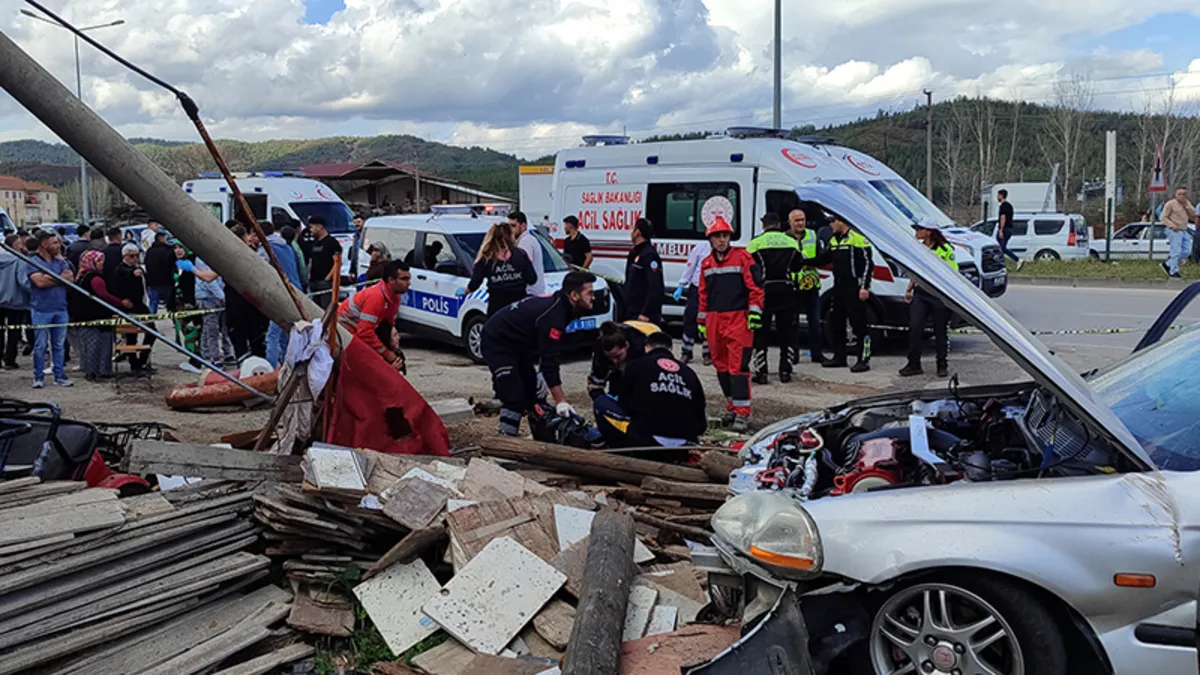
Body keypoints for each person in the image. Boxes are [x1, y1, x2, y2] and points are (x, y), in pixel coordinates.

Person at [482, 271, 596, 436]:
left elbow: (547, 350)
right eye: (589, 293)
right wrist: (561, 401)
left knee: (534, 394)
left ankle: (543, 437)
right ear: (574, 295)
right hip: (497, 340)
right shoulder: (554, 315)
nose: (593, 297)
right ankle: (506, 439)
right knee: (513, 395)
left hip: (519, 344)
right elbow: (550, 360)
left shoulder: (563, 307)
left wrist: (540, 376)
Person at [697, 217, 763, 432]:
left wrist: (754, 313)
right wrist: (701, 321)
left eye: (725, 236)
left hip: (738, 320)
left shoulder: (743, 258)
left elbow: (756, 288)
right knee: (721, 367)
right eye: (718, 236)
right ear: (711, 239)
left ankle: (742, 414)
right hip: (715, 320)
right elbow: (702, 294)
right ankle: (732, 407)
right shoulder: (706, 264)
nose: (722, 240)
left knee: (738, 368)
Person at [593, 331, 707, 450]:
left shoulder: (635, 366)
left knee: (601, 402)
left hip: (647, 442)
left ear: (647, 348)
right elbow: (701, 423)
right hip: (685, 444)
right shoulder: (689, 373)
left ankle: (618, 448)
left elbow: (624, 404)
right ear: (671, 349)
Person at [747, 212, 802, 384]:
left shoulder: (755, 243)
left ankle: (761, 372)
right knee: (787, 332)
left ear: (764, 225)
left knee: (761, 333)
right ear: (779, 224)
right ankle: (785, 371)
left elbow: (749, 269)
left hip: (765, 290)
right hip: (786, 289)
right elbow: (796, 267)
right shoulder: (792, 242)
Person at [901, 220, 957, 378]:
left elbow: (953, 272)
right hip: (921, 293)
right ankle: (913, 364)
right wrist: (909, 289)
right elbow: (915, 271)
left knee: (940, 331)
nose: (917, 231)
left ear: (929, 231)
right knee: (915, 328)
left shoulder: (945, 249)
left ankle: (942, 364)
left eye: (920, 229)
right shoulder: (918, 249)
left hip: (938, 296)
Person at [338, 260, 412, 372]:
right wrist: (387, 355)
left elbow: (388, 324)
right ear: (391, 280)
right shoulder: (376, 298)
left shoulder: (394, 296)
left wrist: (392, 345)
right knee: (376, 364)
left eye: (408, 278)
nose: (409, 283)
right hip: (344, 334)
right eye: (404, 279)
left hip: (358, 330)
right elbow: (364, 333)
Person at [823, 215, 873, 373]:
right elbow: (824, 258)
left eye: (832, 221)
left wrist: (864, 287)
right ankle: (839, 357)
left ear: (841, 221)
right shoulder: (833, 240)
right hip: (838, 286)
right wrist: (803, 261)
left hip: (854, 286)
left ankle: (863, 359)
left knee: (859, 325)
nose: (830, 225)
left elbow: (867, 264)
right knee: (836, 322)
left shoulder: (857, 238)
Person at [69, 250, 129, 380]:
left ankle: (91, 370)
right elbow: (103, 295)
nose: (103, 263)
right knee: (99, 345)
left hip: (85, 317)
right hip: (97, 316)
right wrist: (121, 303)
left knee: (89, 346)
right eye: (99, 261)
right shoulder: (95, 278)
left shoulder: (81, 275)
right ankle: (99, 371)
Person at [25, 230, 74, 388]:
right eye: (54, 243)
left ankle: (59, 375)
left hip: (60, 308)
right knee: (40, 345)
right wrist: (58, 278)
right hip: (41, 309)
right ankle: (38, 376)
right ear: (44, 245)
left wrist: (50, 278)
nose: (58, 245)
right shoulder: (32, 262)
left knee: (59, 344)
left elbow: (70, 278)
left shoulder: (60, 261)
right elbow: (40, 282)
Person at [461, 222, 536, 316]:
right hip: (519, 306)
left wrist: (466, 291)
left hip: (497, 307)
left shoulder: (486, 257)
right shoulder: (520, 254)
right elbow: (532, 279)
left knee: (496, 329)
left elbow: (475, 282)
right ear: (511, 236)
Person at [788, 208, 828, 365]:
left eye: (802, 220)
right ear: (790, 222)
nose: (800, 223)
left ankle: (817, 354)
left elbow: (821, 258)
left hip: (810, 284)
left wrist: (805, 262)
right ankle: (794, 355)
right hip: (792, 285)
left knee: (815, 322)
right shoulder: (784, 238)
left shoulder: (813, 235)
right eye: (797, 220)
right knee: (793, 323)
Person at [225, 226, 270, 359]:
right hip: (253, 305)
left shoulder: (226, 256)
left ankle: (244, 372)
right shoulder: (253, 254)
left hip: (234, 306)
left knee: (240, 346)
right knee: (257, 345)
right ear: (245, 237)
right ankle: (260, 375)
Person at [265, 221, 306, 367]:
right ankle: (287, 363)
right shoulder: (289, 248)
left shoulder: (268, 248)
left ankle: (271, 369)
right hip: (296, 291)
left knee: (272, 336)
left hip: (282, 293)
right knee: (286, 333)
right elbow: (301, 268)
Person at [112, 243, 157, 371]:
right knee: (131, 336)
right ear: (124, 256)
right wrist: (133, 272)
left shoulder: (138, 267)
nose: (135, 258)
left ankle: (142, 359)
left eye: (137, 256)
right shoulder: (121, 269)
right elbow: (126, 273)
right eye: (131, 256)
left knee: (152, 332)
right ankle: (134, 363)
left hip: (140, 305)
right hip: (129, 307)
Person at [586, 320, 656, 400]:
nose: (614, 361)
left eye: (618, 356)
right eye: (610, 357)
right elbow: (595, 384)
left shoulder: (643, 349)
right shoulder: (600, 354)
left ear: (626, 346)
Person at [673, 238, 712, 366]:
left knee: (708, 322)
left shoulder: (723, 250)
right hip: (696, 288)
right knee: (690, 319)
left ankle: (707, 354)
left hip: (712, 289)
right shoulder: (701, 247)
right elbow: (691, 265)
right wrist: (681, 285)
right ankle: (686, 352)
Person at [623, 218, 665, 324]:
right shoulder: (635, 253)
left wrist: (646, 312)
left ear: (637, 232)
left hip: (642, 315)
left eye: (633, 229)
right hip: (632, 311)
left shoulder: (649, 255)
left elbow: (655, 286)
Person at [0, 233, 30, 370]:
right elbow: (23, 281)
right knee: (14, 332)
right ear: (15, 245)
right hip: (15, 300)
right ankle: (10, 359)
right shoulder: (20, 260)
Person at [307, 216, 342, 308]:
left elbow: (337, 263)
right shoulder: (315, 242)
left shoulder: (332, 243)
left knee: (325, 308)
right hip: (314, 281)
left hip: (325, 282)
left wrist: (327, 278)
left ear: (319, 227)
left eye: (312, 227)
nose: (310, 230)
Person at [1161, 186, 1195, 279]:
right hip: (1174, 230)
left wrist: (1187, 206)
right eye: (1179, 194)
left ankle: (1168, 263)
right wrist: (1172, 226)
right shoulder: (1170, 204)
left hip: (1184, 229)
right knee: (1176, 251)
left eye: (1184, 194)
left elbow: (1193, 214)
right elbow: (1163, 217)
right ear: (1176, 194)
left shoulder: (1187, 204)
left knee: (1186, 251)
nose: (1182, 196)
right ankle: (1173, 271)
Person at [508, 211, 545, 295]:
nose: (510, 229)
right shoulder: (526, 240)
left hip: (529, 291)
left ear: (523, 226)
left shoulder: (526, 242)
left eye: (513, 225)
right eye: (509, 226)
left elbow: (523, 267)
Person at [143, 230, 176, 314]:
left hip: (152, 282)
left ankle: (150, 323)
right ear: (162, 238)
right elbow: (172, 266)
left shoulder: (149, 251)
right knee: (171, 304)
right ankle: (175, 323)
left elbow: (146, 265)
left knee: (153, 303)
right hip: (167, 282)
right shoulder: (168, 250)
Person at [996, 189, 1022, 270]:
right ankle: (1002, 265)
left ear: (1001, 195)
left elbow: (1003, 217)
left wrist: (1001, 230)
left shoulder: (1003, 206)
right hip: (1009, 229)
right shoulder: (1009, 206)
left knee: (1001, 248)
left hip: (1004, 229)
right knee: (1002, 248)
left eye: (998, 195)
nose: (997, 197)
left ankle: (1016, 260)